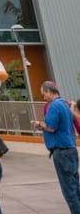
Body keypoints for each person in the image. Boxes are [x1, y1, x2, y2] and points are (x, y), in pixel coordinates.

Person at [33, 81, 80, 214]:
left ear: (49, 91)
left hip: (61, 151)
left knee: (69, 191)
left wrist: (39, 124)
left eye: (44, 94)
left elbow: (51, 127)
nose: (44, 98)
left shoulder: (54, 106)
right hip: (70, 149)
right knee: (75, 187)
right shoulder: (65, 104)